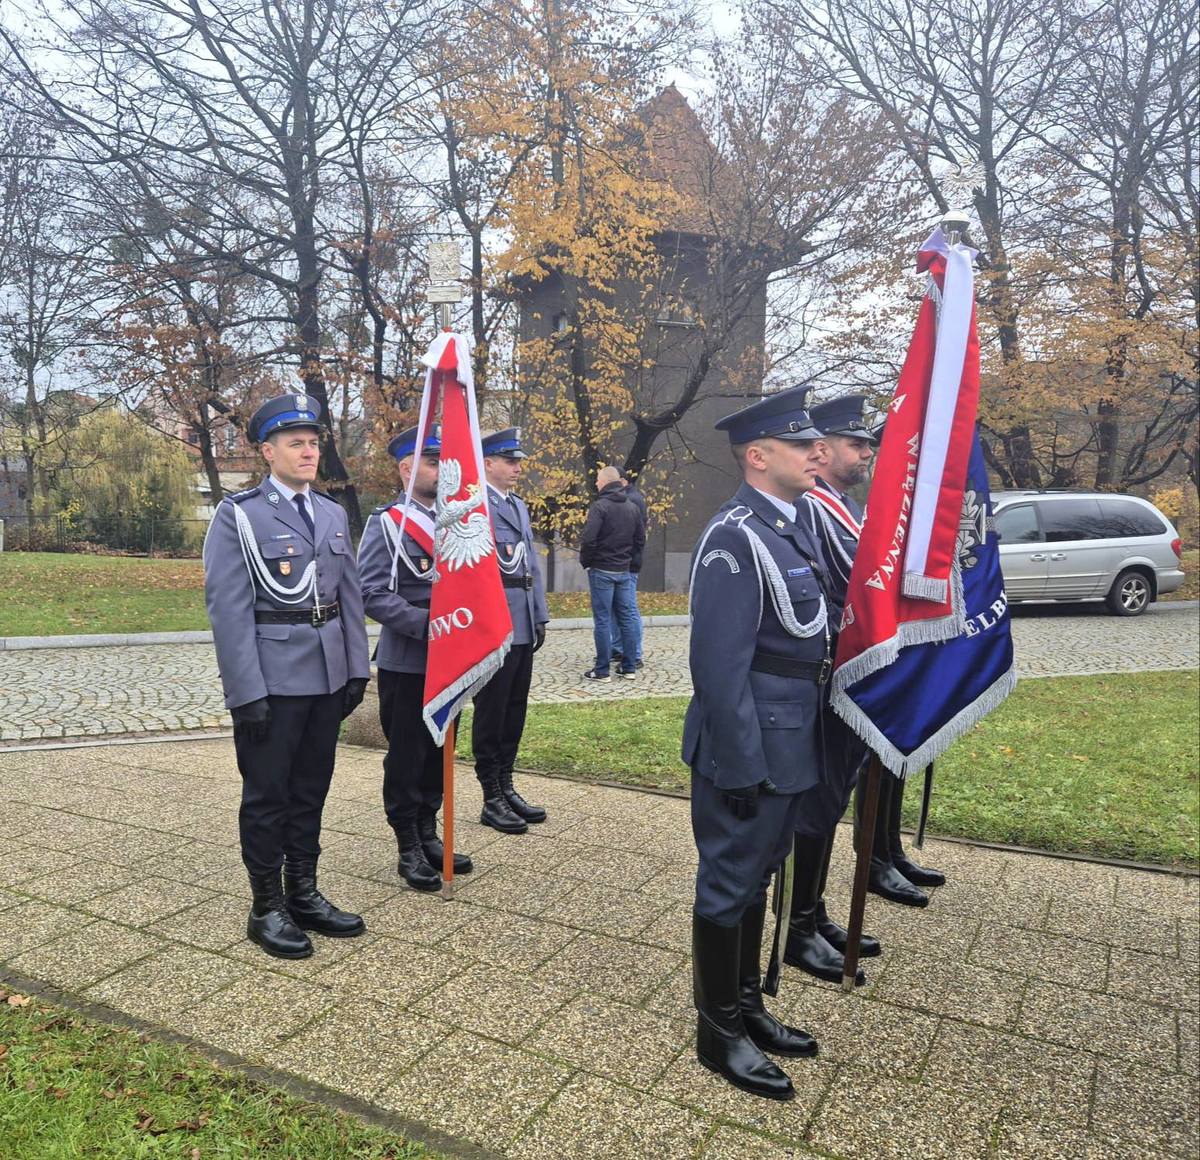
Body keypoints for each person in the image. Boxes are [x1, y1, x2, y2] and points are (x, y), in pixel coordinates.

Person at [683, 385, 831, 1101]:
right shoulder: (734, 536)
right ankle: (719, 1033)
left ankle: (745, 1008)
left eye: (814, 444)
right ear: (758, 454)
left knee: (760, 877)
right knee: (729, 882)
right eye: (802, 445)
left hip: (792, 738)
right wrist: (740, 763)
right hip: (750, 748)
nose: (817, 453)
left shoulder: (790, 524)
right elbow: (718, 668)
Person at [203, 392, 370, 959]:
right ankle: (266, 905)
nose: (308, 451)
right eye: (295, 442)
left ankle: (303, 891)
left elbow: (348, 596)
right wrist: (245, 691)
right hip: (272, 681)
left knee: (310, 791)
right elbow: (228, 609)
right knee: (268, 795)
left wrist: (356, 670)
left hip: (326, 679)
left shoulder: (329, 513)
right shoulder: (240, 515)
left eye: (314, 441)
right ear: (267, 451)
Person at [786, 394, 882, 983]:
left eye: (869, 444)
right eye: (857, 443)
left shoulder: (843, 505)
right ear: (822, 452)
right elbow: (857, 582)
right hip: (828, 677)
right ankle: (797, 924)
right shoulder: (818, 508)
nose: (866, 452)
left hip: (850, 673)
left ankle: (813, 911)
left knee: (833, 796)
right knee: (818, 801)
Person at [356, 425, 472, 892]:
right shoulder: (388, 523)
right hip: (409, 659)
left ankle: (429, 831)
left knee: (439, 752)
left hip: (453, 660)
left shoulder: (460, 520)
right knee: (407, 756)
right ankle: (407, 842)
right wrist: (430, 626)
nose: (442, 469)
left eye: (445, 460)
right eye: (431, 461)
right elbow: (371, 592)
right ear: (406, 469)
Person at [471, 427, 550, 835]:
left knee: (514, 708)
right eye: (509, 460)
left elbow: (529, 568)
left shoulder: (516, 506)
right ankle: (490, 796)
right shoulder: (474, 506)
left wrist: (539, 615)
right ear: (487, 463)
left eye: (518, 460)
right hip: (494, 624)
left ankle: (506, 783)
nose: (517, 467)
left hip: (520, 621)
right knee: (492, 710)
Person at [579, 464, 644, 681]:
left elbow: (589, 539)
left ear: (605, 482)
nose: (596, 483)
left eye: (598, 480)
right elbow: (640, 540)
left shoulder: (600, 507)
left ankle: (602, 670)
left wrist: (587, 562)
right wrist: (628, 560)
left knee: (603, 620)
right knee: (626, 619)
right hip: (624, 571)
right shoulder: (632, 507)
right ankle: (629, 667)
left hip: (602, 570)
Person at [610, 472, 647, 670]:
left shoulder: (631, 500)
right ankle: (619, 648)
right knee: (618, 607)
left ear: (622, 481)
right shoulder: (631, 498)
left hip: (627, 563)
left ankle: (634, 653)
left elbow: (636, 535)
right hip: (625, 561)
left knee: (628, 608)